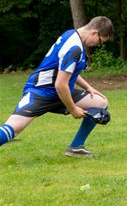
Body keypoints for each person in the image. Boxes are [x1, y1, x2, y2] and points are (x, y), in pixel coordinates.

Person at [0, 16, 113, 157]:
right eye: (100, 41)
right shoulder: (74, 48)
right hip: (40, 91)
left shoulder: (72, 35)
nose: (98, 45)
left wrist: (88, 87)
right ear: (94, 32)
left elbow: (67, 70)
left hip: (60, 92)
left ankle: (76, 147)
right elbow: (60, 84)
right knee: (13, 128)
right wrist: (73, 109)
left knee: (100, 103)